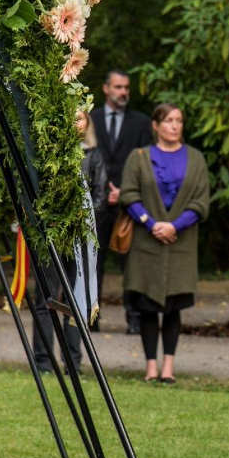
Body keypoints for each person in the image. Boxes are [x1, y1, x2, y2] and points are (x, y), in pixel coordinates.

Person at [119, 103, 210, 383]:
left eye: (179, 120)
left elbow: (201, 201)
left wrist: (174, 225)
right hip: (146, 245)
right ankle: (150, 367)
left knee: (173, 307)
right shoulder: (139, 157)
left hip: (180, 244)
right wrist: (150, 222)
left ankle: (168, 367)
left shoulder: (196, 159)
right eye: (168, 120)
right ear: (155, 126)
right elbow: (129, 194)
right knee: (147, 307)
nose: (174, 125)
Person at [31, 111, 107, 372]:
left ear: (88, 122)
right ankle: (42, 360)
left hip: (79, 237)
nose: (75, 122)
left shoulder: (93, 155)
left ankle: (73, 362)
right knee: (45, 297)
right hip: (51, 235)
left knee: (76, 298)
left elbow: (100, 194)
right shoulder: (48, 153)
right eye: (70, 117)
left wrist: (81, 219)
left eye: (80, 117)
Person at [91, 70, 153, 333]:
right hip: (97, 201)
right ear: (106, 89)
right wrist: (104, 189)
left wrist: (125, 190)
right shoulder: (90, 119)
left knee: (132, 262)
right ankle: (91, 316)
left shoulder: (141, 122)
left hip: (130, 203)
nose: (123, 92)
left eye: (126, 87)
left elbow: (146, 162)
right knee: (94, 261)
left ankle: (135, 319)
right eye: (118, 87)